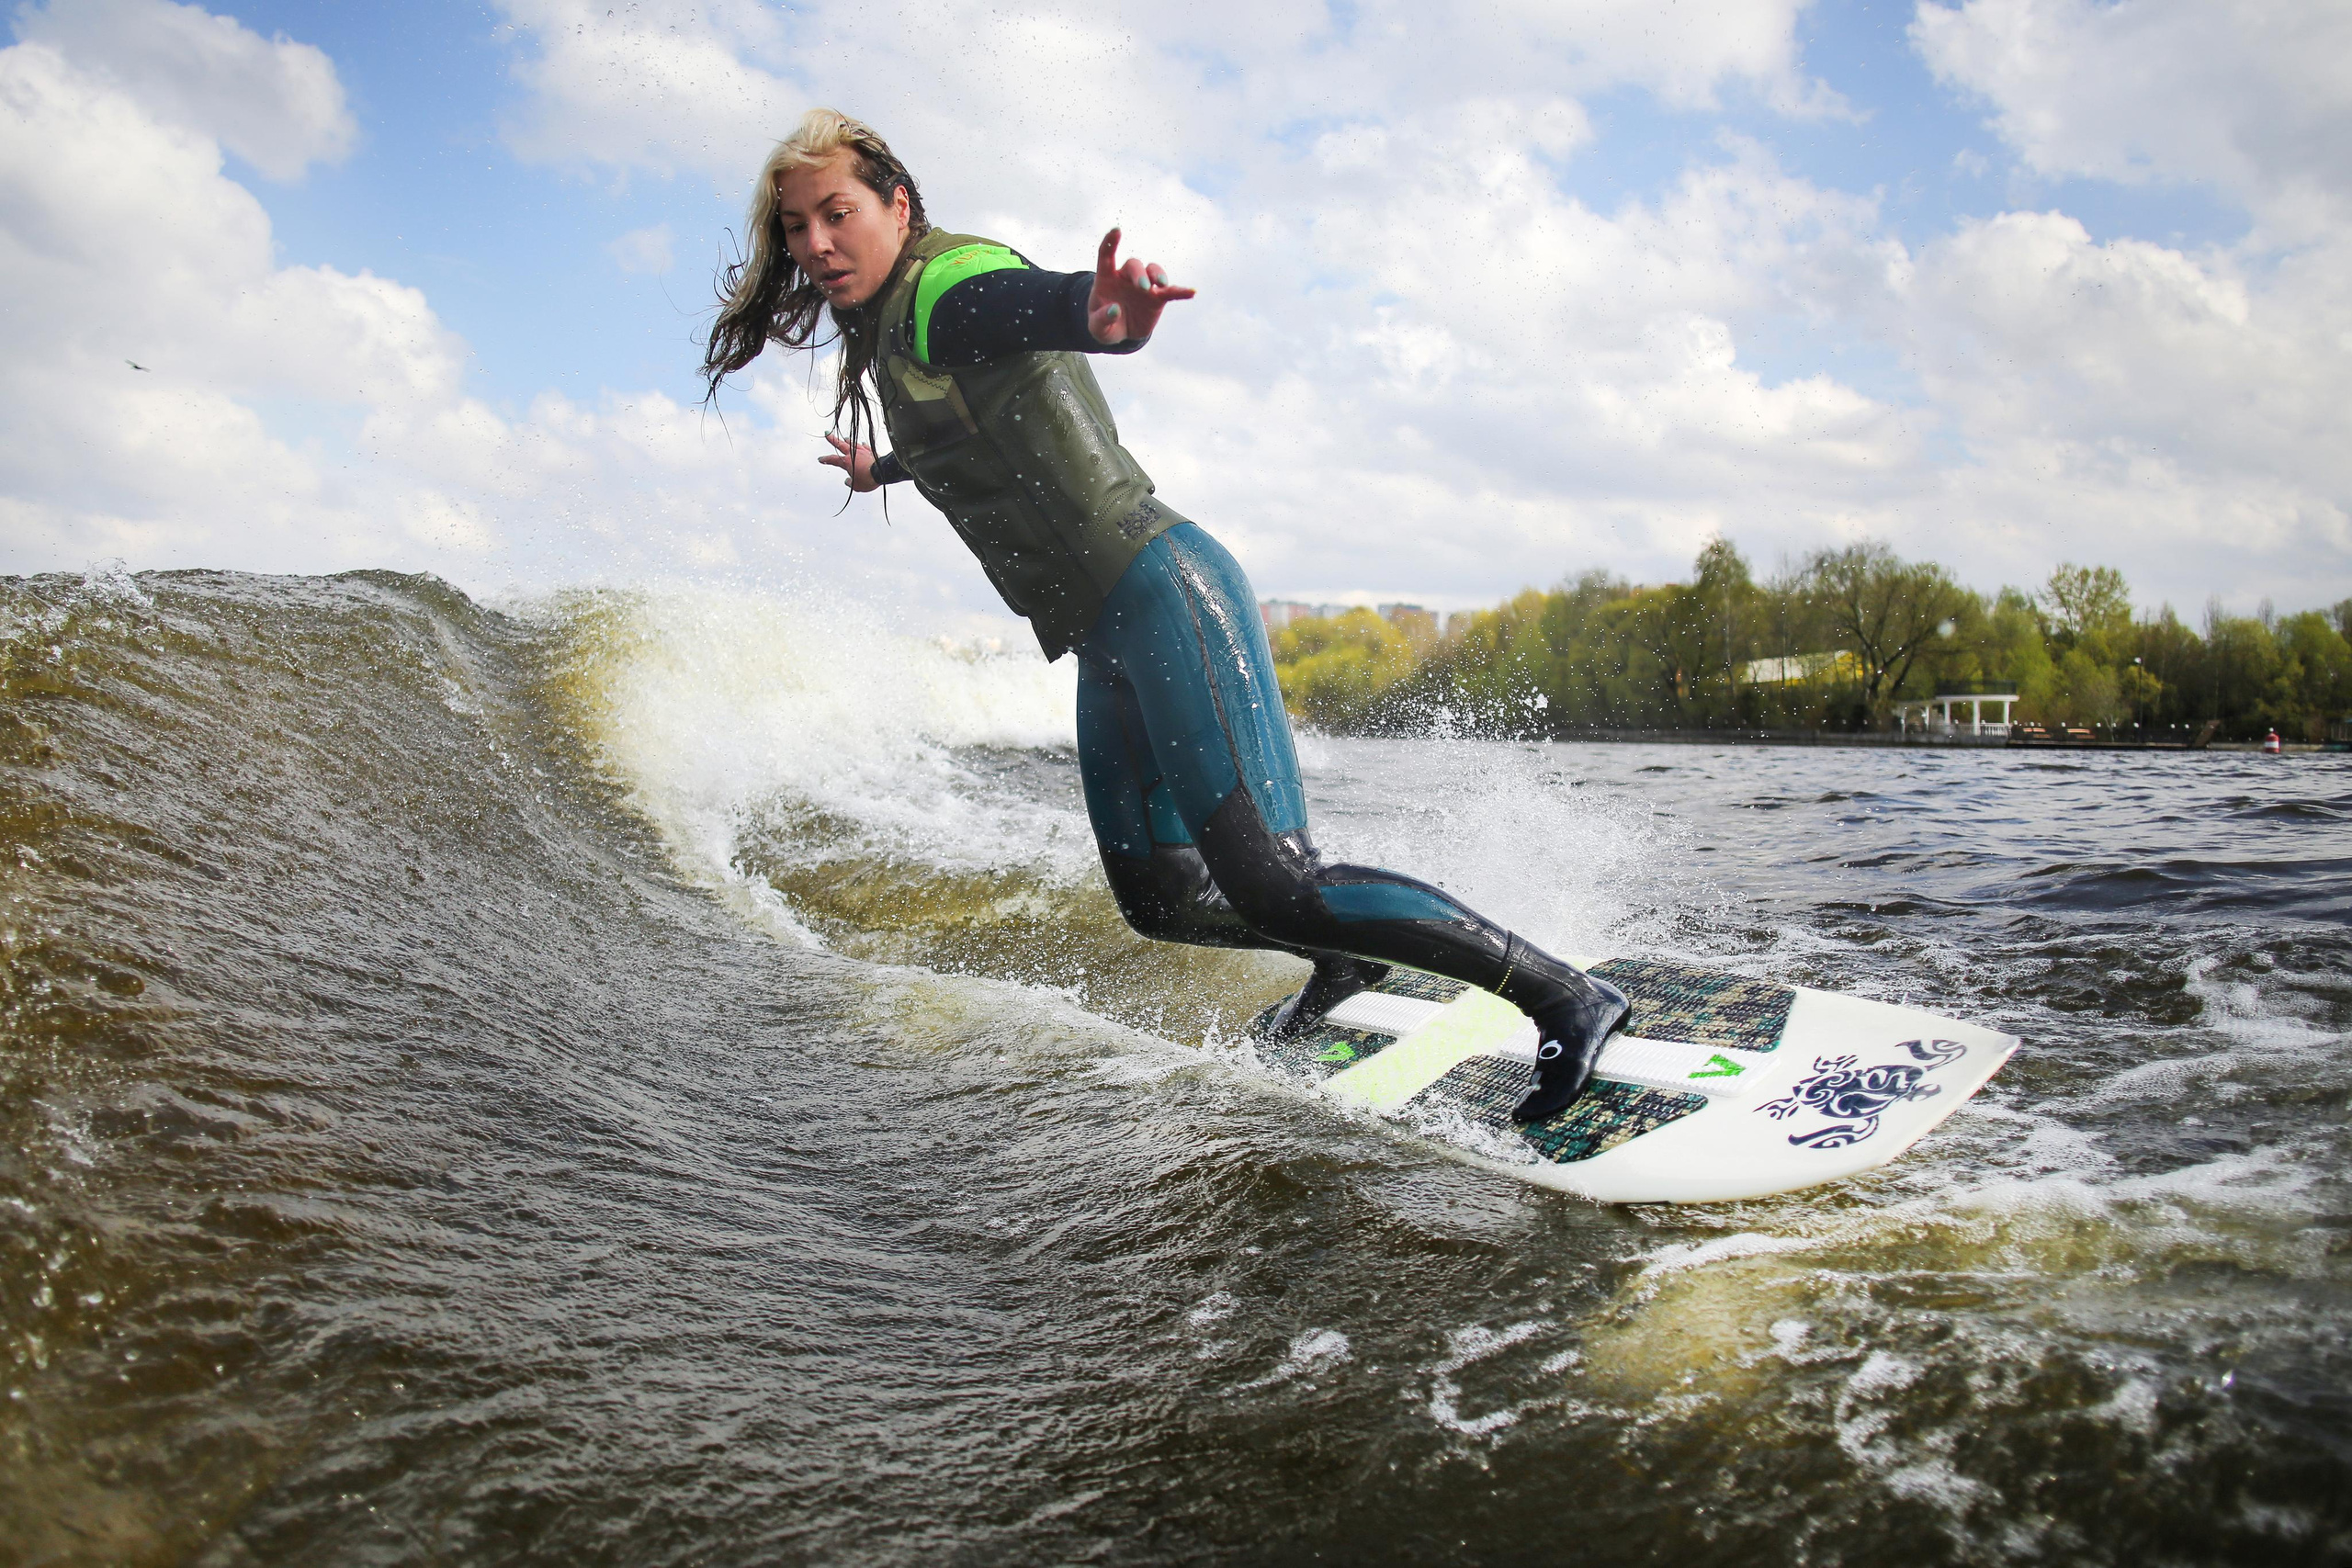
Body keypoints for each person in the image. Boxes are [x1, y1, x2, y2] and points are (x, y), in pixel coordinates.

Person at [701, 109, 1630, 1123]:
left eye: (837, 214)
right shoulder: (897, 332)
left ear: (898, 204)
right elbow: (974, 436)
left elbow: (1031, 309)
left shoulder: (941, 288)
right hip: (1106, 643)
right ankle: (1341, 961)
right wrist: (887, 463)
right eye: (796, 228)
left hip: (1164, 594)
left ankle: (1565, 995)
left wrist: (1101, 313)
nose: (816, 244)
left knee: (1276, 877)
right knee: (1162, 898)